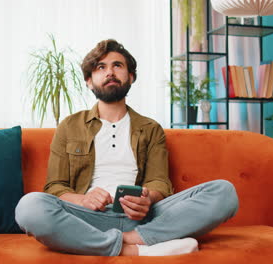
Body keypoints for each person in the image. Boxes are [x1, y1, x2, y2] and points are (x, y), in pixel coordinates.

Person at [15, 39, 239, 257]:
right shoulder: (70, 126)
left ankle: (132, 238)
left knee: (224, 192)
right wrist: (83, 200)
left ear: (130, 77)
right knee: (29, 207)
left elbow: (159, 182)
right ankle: (137, 248)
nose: (109, 72)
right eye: (100, 67)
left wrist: (146, 199)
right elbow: (55, 186)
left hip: (143, 217)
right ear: (89, 81)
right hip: (87, 217)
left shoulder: (150, 128)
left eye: (117, 65)